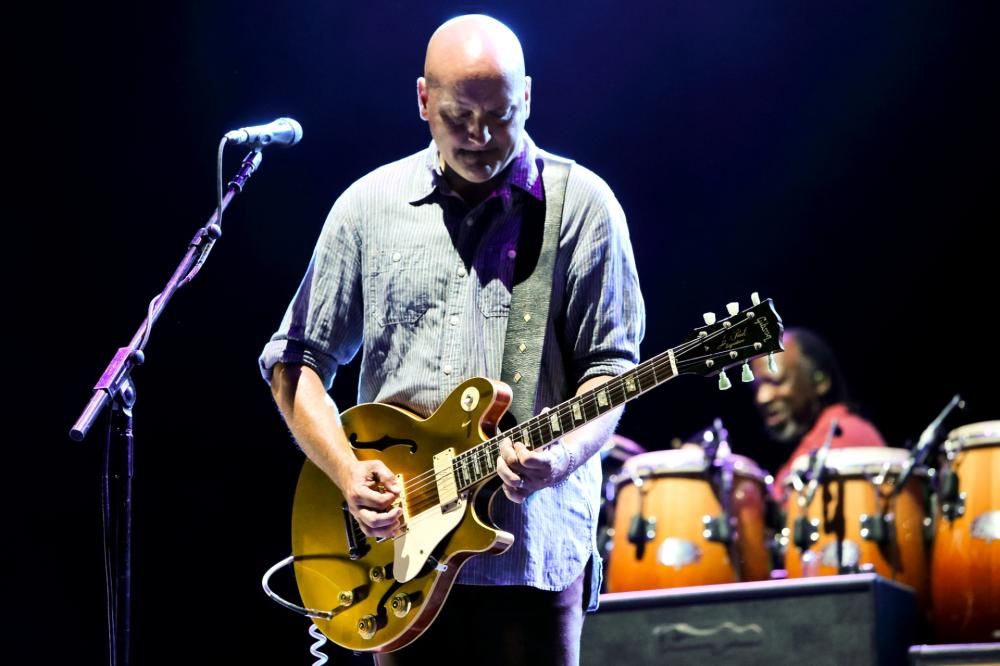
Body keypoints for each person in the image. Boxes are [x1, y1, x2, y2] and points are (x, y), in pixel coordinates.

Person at [258, 14, 645, 666]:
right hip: (395, 563)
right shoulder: (368, 206)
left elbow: (610, 369)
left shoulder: (584, 207)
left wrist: (561, 457)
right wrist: (347, 473)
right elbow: (294, 364)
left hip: (532, 556)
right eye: (459, 116)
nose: (480, 136)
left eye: (500, 115)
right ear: (422, 100)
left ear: (528, 97)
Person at [749, 327, 887, 503]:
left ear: (820, 381)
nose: (762, 397)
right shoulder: (822, 436)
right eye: (756, 387)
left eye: (776, 381)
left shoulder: (843, 434)